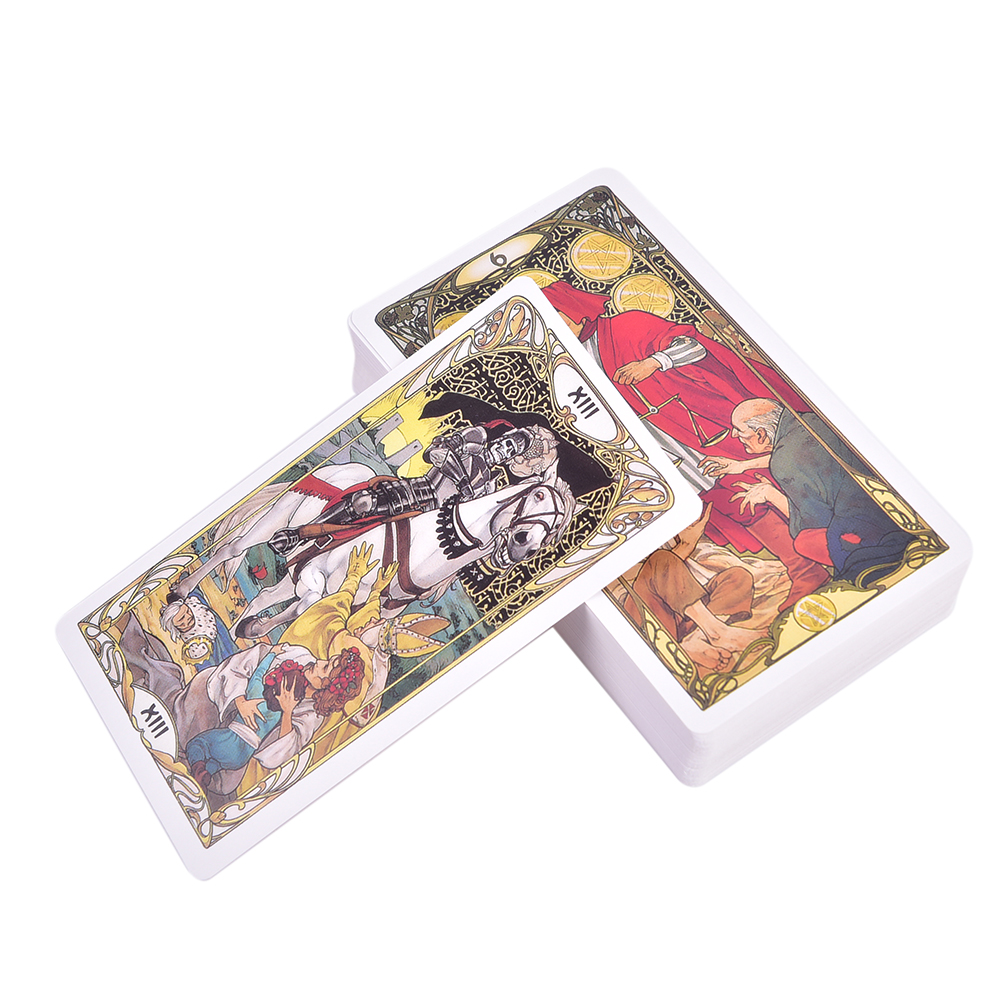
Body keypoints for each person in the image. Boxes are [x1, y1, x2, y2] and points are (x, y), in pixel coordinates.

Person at [540, 280, 828, 610]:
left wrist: (653, 362)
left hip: (698, 422)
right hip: (660, 446)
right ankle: (794, 571)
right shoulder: (568, 361)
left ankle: (814, 559)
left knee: (755, 483)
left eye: (556, 317)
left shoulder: (625, 325)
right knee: (716, 505)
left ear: (574, 309)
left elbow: (693, 346)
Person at [723, 399, 913, 585]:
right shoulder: (810, 420)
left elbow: (818, 521)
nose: (733, 434)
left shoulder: (783, 464)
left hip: (872, 535)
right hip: (893, 502)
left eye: (739, 430)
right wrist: (743, 466)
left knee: (803, 542)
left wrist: (770, 494)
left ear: (761, 434)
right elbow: (803, 451)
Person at [621, 505, 767, 677]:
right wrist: (685, 547)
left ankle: (696, 639)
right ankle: (716, 632)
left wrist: (688, 542)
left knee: (738, 576)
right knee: (661, 559)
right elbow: (641, 576)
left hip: (688, 615)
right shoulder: (618, 545)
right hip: (650, 616)